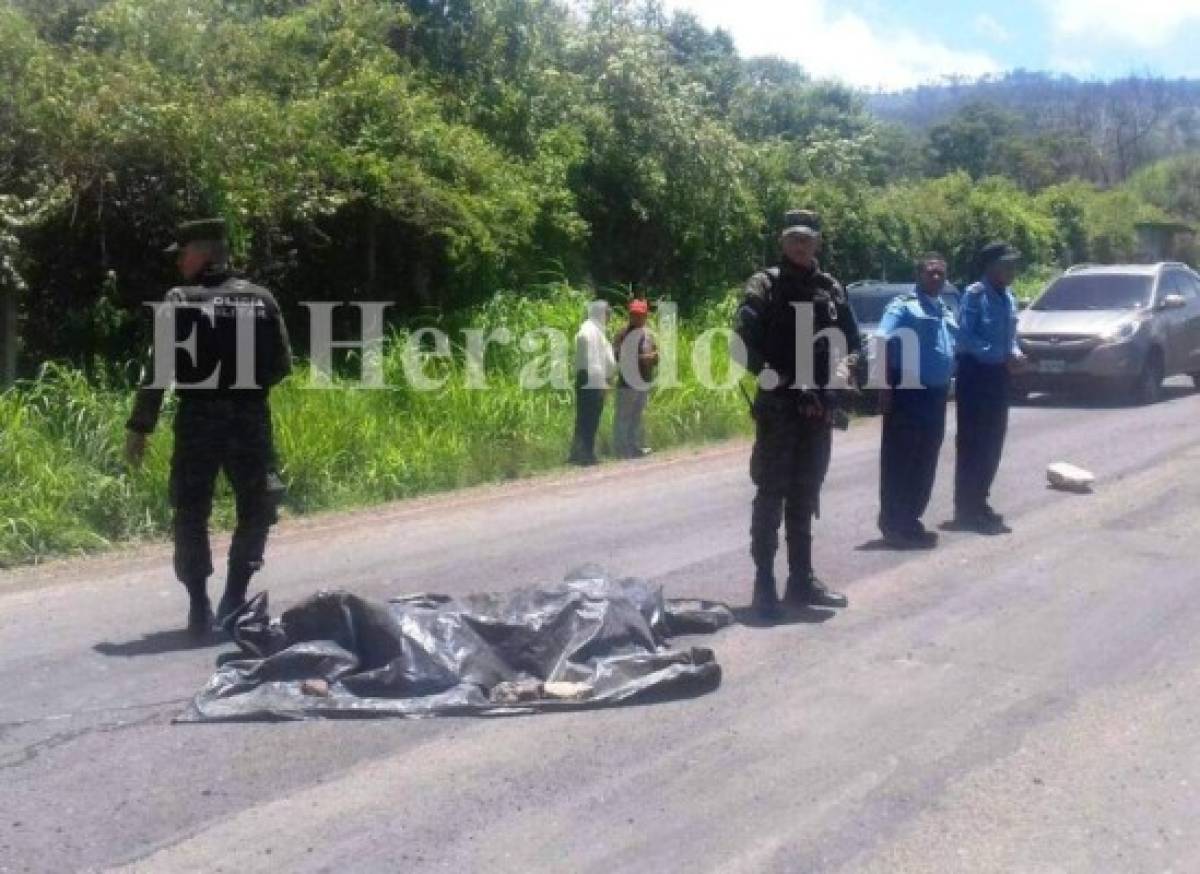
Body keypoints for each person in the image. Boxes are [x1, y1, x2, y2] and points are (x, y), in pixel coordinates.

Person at [124, 219, 293, 634]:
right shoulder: (261, 298)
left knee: (191, 509)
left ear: (202, 254)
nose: (179, 262)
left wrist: (139, 428)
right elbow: (281, 365)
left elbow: (158, 370)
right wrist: (245, 391)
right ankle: (234, 597)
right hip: (249, 419)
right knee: (257, 508)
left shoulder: (179, 300)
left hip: (198, 419)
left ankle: (199, 605)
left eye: (183, 254)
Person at [734, 210, 861, 619]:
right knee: (772, 492)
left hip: (818, 407)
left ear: (817, 243)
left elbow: (853, 342)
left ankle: (801, 580)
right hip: (778, 406)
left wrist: (841, 376)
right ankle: (765, 583)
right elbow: (743, 344)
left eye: (807, 239)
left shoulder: (831, 288)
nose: (800, 245)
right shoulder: (765, 284)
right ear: (782, 241)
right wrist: (784, 379)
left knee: (806, 493)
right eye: (793, 239)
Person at [876, 254, 958, 548]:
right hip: (908, 393)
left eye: (941, 273)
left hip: (936, 397)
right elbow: (881, 340)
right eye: (930, 273)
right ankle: (893, 523)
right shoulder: (902, 307)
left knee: (926, 460)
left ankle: (910, 520)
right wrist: (883, 388)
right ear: (918, 275)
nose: (936, 278)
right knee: (901, 461)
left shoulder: (944, 309)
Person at [953, 241, 1028, 534]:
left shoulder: (1008, 297)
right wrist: (1000, 356)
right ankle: (966, 507)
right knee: (974, 443)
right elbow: (965, 336)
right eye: (1007, 264)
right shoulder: (975, 295)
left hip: (998, 375)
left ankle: (980, 501)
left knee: (994, 442)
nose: (1012, 270)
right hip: (976, 375)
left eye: (1014, 264)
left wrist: (1016, 353)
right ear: (991, 267)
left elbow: (1010, 335)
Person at [569, 299, 616, 466]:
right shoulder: (589, 329)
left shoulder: (596, 329)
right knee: (590, 417)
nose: (609, 316)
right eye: (608, 313)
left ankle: (578, 452)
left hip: (591, 377)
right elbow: (589, 352)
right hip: (592, 378)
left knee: (585, 417)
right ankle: (586, 454)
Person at [612, 299, 659, 459]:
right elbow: (618, 356)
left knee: (637, 416)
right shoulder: (622, 334)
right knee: (623, 416)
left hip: (643, 382)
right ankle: (621, 449)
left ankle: (634, 447)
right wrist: (643, 358)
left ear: (645, 316)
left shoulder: (648, 335)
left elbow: (656, 356)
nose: (637, 318)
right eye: (634, 315)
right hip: (627, 383)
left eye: (640, 315)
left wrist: (654, 357)